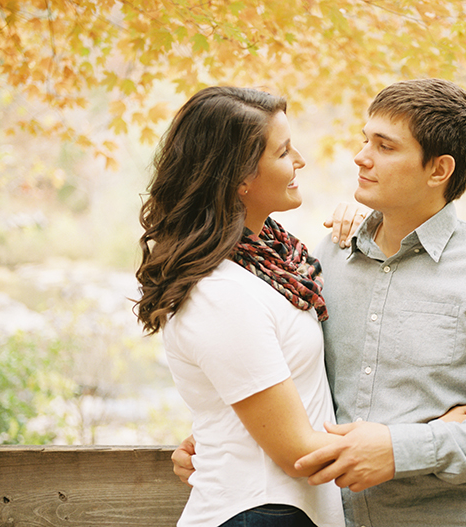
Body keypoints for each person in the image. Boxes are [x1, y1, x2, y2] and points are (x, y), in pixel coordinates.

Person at [173, 79, 466, 526]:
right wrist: (230, 430)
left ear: (438, 170)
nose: (361, 156)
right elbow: (289, 375)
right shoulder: (327, 257)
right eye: (365, 139)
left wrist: (407, 449)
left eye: (385, 146)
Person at [135, 86, 349, 527]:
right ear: (240, 177)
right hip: (257, 511)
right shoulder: (220, 294)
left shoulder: (275, 263)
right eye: (284, 151)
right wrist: (430, 439)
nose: (300, 161)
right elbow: (297, 454)